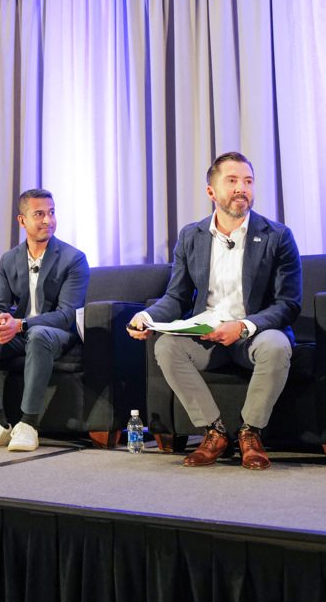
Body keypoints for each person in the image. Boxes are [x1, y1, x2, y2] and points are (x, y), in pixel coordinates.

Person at [127, 151, 301, 469]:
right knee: (166, 346)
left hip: (254, 335)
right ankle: (214, 431)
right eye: (232, 181)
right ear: (212, 192)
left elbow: (288, 304)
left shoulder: (278, 236)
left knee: (277, 346)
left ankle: (250, 432)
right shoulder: (191, 236)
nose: (241, 188)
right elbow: (176, 296)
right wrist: (147, 317)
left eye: (247, 181)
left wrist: (244, 326)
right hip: (207, 336)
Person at [0, 189, 89, 452]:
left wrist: (21, 325)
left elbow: (67, 314)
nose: (48, 220)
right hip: (21, 334)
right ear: (22, 221)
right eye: (39, 214)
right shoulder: (9, 259)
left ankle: (28, 424)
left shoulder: (73, 258)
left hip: (56, 335)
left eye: (51, 213)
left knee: (38, 333)